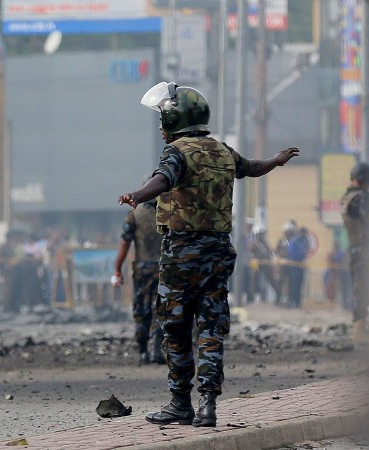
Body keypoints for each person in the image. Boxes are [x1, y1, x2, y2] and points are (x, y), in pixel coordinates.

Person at [118, 81, 299, 427]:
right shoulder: (221, 151)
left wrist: (138, 195)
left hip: (182, 254)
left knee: (175, 326)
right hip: (218, 253)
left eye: (162, 118)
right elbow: (252, 167)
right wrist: (276, 161)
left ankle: (180, 403)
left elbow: (162, 180)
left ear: (175, 118)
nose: (160, 126)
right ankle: (209, 404)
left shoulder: (178, 152)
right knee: (212, 326)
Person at [112, 199, 165, 365]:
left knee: (141, 310)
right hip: (164, 268)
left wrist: (117, 269)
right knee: (161, 309)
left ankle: (143, 352)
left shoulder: (134, 215)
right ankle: (157, 348)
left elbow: (125, 243)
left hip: (142, 270)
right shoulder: (168, 215)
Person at [341, 161, 369, 343]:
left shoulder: (348, 197)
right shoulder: (360, 199)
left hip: (356, 251)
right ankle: (360, 332)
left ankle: (360, 329)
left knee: (361, 290)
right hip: (364, 252)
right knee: (362, 290)